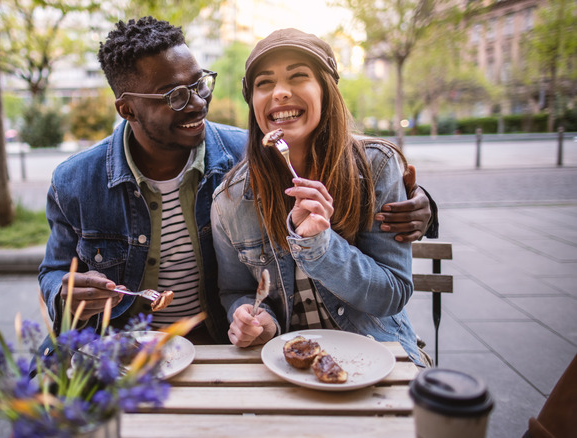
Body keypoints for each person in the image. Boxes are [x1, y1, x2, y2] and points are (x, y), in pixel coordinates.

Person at [38, 18, 435, 345]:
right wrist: (64, 293)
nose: (196, 103)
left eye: (199, 84)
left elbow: (340, 164)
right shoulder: (76, 182)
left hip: (215, 345)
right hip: (117, 348)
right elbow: (54, 271)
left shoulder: (242, 156)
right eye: (175, 96)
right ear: (127, 109)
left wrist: (423, 208)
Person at [210, 28, 428, 365]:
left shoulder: (376, 167)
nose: (280, 92)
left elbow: (393, 294)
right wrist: (255, 320)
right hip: (287, 364)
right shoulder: (230, 199)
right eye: (264, 83)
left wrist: (321, 247)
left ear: (326, 90)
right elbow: (234, 291)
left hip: (377, 354)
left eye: (298, 76)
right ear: (253, 102)